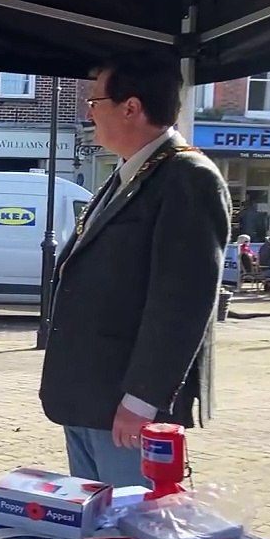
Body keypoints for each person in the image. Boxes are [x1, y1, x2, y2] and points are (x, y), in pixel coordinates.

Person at [40, 53, 230, 489]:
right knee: (98, 537)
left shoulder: (188, 177)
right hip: (89, 396)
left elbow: (183, 301)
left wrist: (143, 399)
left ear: (131, 107)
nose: (88, 113)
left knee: (134, 538)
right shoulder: (127, 174)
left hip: (127, 406)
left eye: (95, 102)